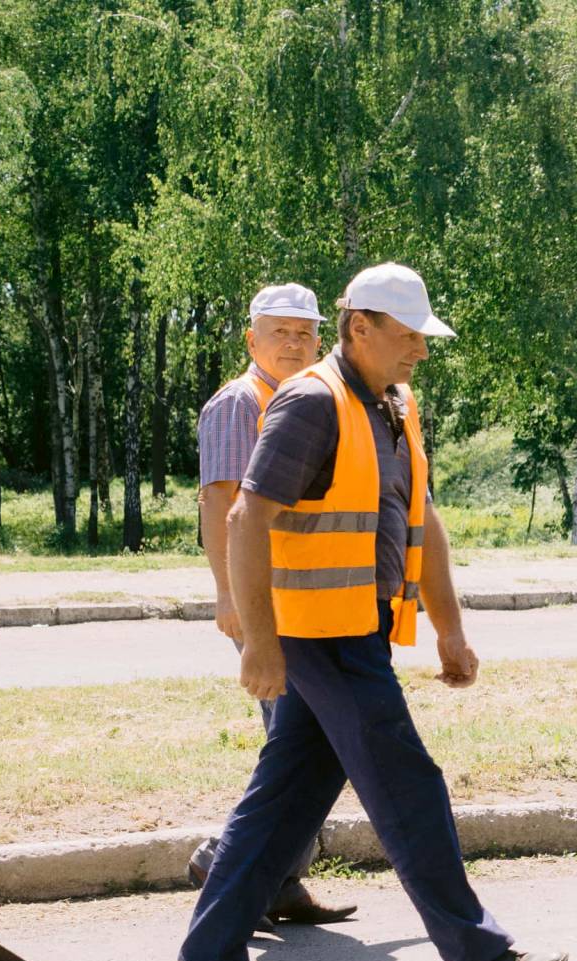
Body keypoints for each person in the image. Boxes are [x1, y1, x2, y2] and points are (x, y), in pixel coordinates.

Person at [170, 262, 567, 961]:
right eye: (409, 335)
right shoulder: (310, 403)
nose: (421, 349)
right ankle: (480, 955)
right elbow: (244, 518)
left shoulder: (393, 404)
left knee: (288, 795)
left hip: (360, 628)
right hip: (322, 634)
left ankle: (209, 959)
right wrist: (260, 642)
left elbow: (423, 518)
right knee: (408, 785)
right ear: (360, 328)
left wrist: (450, 629)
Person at [189, 283, 354, 928]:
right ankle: (225, 863)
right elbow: (219, 502)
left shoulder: (309, 399)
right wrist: (229, 596)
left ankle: (276, 879)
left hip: (308, 600)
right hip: (265, 603)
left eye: (305, 332)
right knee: (299, 747)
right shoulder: (240, 403)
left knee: (306, 746)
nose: (294, 343)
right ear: (251, 339)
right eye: (279, 332)